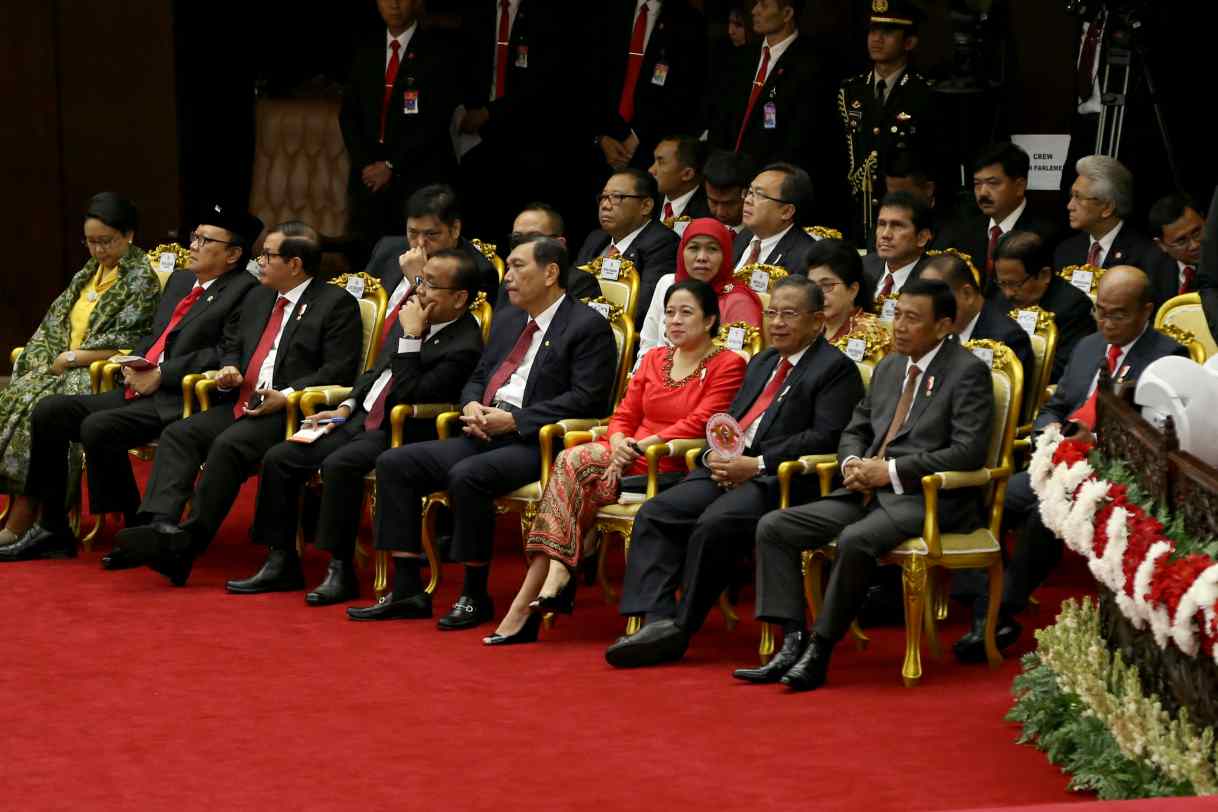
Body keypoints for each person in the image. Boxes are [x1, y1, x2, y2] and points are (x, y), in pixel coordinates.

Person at [734, 278, 994, 690]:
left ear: (944, 325)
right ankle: (791, 640)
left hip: (925, 499)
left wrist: (891, 470)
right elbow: (855, 427)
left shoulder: (967, 372)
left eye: (913, 319)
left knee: (855, 540)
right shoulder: (890, 366)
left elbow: (968, 452)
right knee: (775, 526)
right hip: (864, 489)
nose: (900, 327)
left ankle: (820, 650)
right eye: (897, 315)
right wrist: (853, 461)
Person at [347, 236, 617, 630]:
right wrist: (472, 404)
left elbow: (586, 399)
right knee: (395, 462)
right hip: (483, 429)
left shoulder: (587, 326)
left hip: (537, 442)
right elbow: (478, 376)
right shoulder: (508, 319)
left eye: (518, 266)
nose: (507, 277)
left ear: (550, 273)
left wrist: (516, 420)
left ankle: (474, 594)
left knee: (468, 476)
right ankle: (406, 589)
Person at [605, 277, 865, 666]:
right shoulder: (763, 361)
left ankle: (682, 627)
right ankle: (656, 621)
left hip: (779, 478)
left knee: (715, 523)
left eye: (789, 314)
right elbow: (733, 419)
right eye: (771, 313)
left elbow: (824, 437)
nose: (777, 323)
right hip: (729, 466)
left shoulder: (835, 369)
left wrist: (756, 464)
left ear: (816, 320)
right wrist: (714, 454)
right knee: (658, 511)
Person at [485, 278, 747, 644]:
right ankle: (552, 578)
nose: (674, 321)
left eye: (686, 313)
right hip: (623, 457)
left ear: (709, 320)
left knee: (572, 470)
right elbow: (624, 414)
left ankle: (539, 593)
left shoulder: (727, 364)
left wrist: (641, 445)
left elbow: (702, 421)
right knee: (572, 472)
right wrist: (622, 441)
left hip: (668, 464)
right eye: (669, 313)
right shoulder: (655, 359)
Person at [105, 222, 364, 586]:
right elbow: (233, 345)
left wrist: (287, 395)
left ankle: (186, 544)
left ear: (294, 264)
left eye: (268, 256)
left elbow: (338, 369)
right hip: (243, 400)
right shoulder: (259, 297)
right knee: (181, 433)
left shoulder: (335, 304)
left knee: (229, 445)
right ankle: (159, 527)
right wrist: (230, 367)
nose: (259, 263)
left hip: (290, 411)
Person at [953, 267, 1188, 663]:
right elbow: (1056, 405)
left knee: (1043, 512)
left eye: (1118, 314)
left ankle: (996, 613)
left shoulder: (1168, 357)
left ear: (1145, 310)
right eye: (1101, 311)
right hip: (1059, 461)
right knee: (981, 496)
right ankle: (985, 600)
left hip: (1111, 472)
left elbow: (1158, 435)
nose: (1106, 323)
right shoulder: (1089, 345)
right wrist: (1049, 434)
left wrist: (1094, 442)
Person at [225, 249, 485, 605]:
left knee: (340, 465)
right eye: (420, 281)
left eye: (431, 285)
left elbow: (409, 395)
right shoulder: (415, 316)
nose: (420, 292)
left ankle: (340, 567)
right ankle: (280, 559)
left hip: (402, 430)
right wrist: (345, 407)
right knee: (281, 457)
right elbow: (375, 373)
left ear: (459, 298)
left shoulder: (464, 343)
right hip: (361, 416)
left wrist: (411, 339)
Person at [6, 205, 261, 562]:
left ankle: (132, 523)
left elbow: (225, 352)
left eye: (205, 240)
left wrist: (162, 374)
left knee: (98, 426)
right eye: (195, 236)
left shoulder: (246, 291)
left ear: (233, 254)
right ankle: (52, 528)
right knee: (50, 410)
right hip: (138, 384)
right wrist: (133, 362)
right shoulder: (181, 280)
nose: (193, 245)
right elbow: (155, 335)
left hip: (181, 396)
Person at [0, 193, 160, 549]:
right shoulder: (87, 273)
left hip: (102, 373)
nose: (98, 250)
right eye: (91, 242)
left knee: (37, 410)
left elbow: (130, 342)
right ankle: (30, 513)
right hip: (62, 365)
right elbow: (55, 324)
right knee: (12, 400)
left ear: (128, 235)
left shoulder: (140, 280)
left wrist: (73, 358)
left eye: (107, 241)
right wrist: (47, 358)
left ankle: (26, 519)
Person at [339, 0, 460, 260]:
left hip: (416, 176)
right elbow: (348, 115)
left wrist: (391, 165)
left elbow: (435, 120)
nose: (394, 4)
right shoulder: (366, 47)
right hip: (369, 179)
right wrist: (366, 165)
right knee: (364, 256)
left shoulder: (437, 51)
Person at [839, 0, 940, 244]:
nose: (877, 39)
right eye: (873, 31)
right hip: (857, 212)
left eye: (888, 32)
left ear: (909, 42)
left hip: (902, 215)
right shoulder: (851, 90)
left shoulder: (924, 93)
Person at [709, 0, 825, 172]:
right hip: (725, 170)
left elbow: (799, 133)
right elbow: (721, 115)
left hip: (770, 174)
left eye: (764, 5)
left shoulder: (809, 65)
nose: (754, 11)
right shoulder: (742, 56)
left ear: (787, 14)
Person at [595, 1, 707, 174]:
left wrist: (637, 136)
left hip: (652, 152)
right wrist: (601, 137)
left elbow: (686, 92)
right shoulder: (608, 10)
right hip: (601, 144)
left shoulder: (689, 20)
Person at [1053, 155, 1178, 308]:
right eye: (1071, 196)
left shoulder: (1149, 256)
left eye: (1078, 197)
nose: (1070, 206)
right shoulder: (1065, 251)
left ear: (1107, 208)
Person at [934, 142, 1058, 293]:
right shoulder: (963, 231)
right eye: (977, 184)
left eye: (993, 183)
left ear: (1019, 186)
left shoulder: (1046, 235)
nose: (983, 193)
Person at [637, 218, 763, 362]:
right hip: (654, 372)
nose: (702, 258)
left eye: (712, 249)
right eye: (694, 248)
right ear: (682, 251)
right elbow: (648, 345)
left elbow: (738, 362)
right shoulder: (667, 284)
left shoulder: (739, 302)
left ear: (726, 254)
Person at [365, 185, 499, 312]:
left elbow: (447, 325)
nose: (420, 243)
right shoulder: (387, 248)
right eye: (413, 232)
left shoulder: (479, 273)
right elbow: (360, 300)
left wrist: (418, 280)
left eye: (431, 234)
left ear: (455, 229)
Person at [575, 168, 679, 330]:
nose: (605, 205)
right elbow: (572, 290)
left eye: (617, 197)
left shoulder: (663, 243)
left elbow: (643, 309)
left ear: (646, 206)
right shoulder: (595, 239)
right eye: (603, 197)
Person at [992, 230, 1095, 383]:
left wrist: (1009, 376)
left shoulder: (1073, 307)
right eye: (1002, 283)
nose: (1008, 294)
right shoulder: (1000, 299)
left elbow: (1064, 369)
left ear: (1044, 275)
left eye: (1015, 284)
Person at [919, 252, 1035, 380]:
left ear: (967, 294)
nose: (932, 311)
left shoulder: (1008, 339)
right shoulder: (934, 329)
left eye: (939, 302)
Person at [497, 203, 600, 307]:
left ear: (559, 245)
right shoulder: (509, 282)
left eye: (533, 239)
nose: (522, 247)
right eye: (516, 240)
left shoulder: (579, 283)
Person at [732, 163, 817, 276]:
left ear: (786, 211)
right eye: (750, 192)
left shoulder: (805, 257)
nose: (747, 200)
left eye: (759, 195)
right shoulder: (745, 235)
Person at [805, 238, 883, 345]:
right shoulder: (808, 329)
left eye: (827, 285)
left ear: (852, 290)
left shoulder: (869, 337)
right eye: (813, 286)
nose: (818, 295)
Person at [863, 190, 933, 301]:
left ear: (922, 238)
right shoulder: (862, 267)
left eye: (897, 226)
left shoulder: (934, 280)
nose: (885, 234)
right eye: (881, 224)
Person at [649, 135, 712, 228]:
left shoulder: (707, 217)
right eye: (654, 161)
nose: (651, 170)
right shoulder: (646, 200)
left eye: (661, 162)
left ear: (687, 174)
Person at [1148, 192, 1205, 297]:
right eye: (1181, 241)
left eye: (1197, 232)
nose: (1194, 245)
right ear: (1161, 245)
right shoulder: (1153, 270)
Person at [702, 149, 752, 232]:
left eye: (729, 203)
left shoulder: (764, 233)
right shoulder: (698, 221)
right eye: (714, 202)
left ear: (748, 194)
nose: (720, 212)